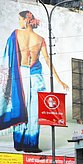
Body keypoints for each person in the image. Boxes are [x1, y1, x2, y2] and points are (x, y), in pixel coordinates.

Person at [0, 11, 69, 153]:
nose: (19, 22)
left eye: (20, 19)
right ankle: (31, 144)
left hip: (21, 75)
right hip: (36, 76)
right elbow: (48, 61)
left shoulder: (16, 34)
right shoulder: (40, 39)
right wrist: (60, 80)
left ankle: (19, 142)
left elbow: (8, 58)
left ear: (26, 20)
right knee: (33, 112)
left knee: (20, 107)